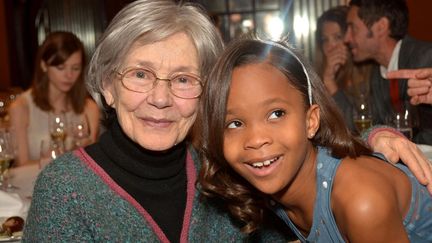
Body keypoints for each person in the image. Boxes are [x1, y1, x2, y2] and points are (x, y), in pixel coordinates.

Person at [22, 0, 432, 241]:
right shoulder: (65, 190)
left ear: (205, 97)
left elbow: (307, 153)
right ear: (108, 87)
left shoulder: (221, 173)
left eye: (183, 79)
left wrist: (378, 139)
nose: (161, 98)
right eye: (140, 75)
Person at [199, 37, 432, 242]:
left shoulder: (361, 202)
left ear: (310, 121)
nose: (257, 139)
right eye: (235, 123)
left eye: (276, 114)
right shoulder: (274, 185)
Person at [344, 0, 432, 144]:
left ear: (381, 27)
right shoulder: (377, 72)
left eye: (353, 28)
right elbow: (375, 126)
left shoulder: (426, 58)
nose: (346, 38)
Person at [9, 31, 100, 166]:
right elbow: (21, 165)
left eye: (75, 68)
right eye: (60, 67)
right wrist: (56, 162)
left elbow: (95, 164)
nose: (69, 75)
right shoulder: (21, 107)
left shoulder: (89, 108)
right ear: (44, 65)